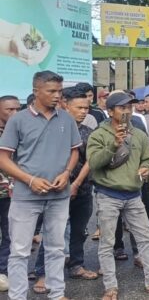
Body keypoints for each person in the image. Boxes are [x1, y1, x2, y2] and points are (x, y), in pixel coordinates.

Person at [87, 91, 149, 299]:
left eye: (129, 107)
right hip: (108, 195)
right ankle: (110, 287)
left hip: (133, 195)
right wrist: (114, 144)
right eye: (121, 108)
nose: (127, 111)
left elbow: (148, 158)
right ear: (110, 111)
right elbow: (93, 164)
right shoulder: (99, 135)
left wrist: (146, 168)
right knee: (107, 243)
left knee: (146, 239)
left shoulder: (138, 134)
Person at [0, 71, 79, 300]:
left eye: (60, 91)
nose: (57, 96)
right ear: (36, 92)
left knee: (56, 248)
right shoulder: (18, 120)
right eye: (51, 91)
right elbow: (3, 158)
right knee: (20, 251)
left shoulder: (66, 118)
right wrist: (30, 180)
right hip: (26, 197)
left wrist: (66, 173)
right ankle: (17, 296)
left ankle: (56, 294)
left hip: (59, 195)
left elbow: (74, 151)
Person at [32, 88, 99, 290]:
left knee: (79, 231)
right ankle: (43, 273)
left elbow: (90, 161)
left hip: (83, 190)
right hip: (56, 190)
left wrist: (77, 184)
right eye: (78, 107)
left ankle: (76, 265)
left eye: (86, 108)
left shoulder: (88, 133)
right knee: (54, 232)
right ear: (64, 105)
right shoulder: (52, 131)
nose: (83, 111)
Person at [0, 95, 19, 292]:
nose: (14, 113)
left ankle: (3, 271)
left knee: (10, 234)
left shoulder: (20, 132)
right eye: (8, 110)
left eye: (16, 109)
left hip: (13, 194)